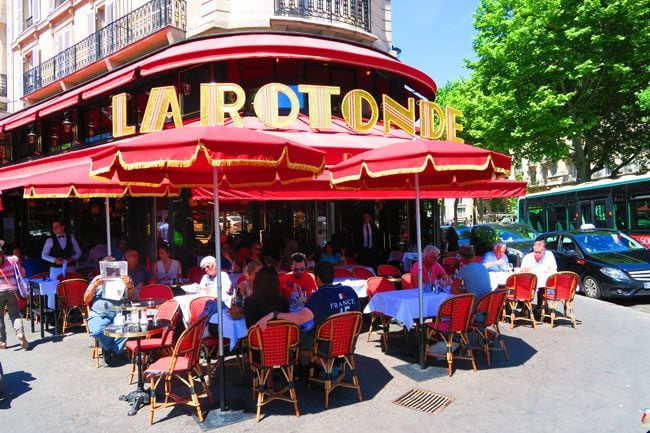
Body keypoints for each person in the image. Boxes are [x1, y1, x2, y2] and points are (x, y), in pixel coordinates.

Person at [256, 261, 360, 365]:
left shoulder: (319, 296)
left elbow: (299, 319)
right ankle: (334, 363)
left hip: (327, 344)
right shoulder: (350, 291)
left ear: (317, 279)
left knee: (295, 336)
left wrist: (275, 314)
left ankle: (325, 364)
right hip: (348, 341)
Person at [83, 256, 136, 366]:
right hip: (100, 314)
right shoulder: (98, 279)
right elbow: (85, 299)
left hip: (119, 313)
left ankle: (110, 351)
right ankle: (113, 350)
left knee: (130, 327)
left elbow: (131, 297)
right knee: (97, 331)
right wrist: (95, 286)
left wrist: (129, 285)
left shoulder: (124, 278)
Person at [0, 241, 29, 350]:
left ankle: (2, 341)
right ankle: (20, 333)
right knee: (14, 314)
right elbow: (22, 274)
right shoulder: (13, 259)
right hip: (12, 291)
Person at [520, 240, 558, 308]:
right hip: (529, 282)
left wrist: (533, 270)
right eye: (535, 252)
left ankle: (541, 307)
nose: (537, 254)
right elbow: (522, 270)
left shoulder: (549, 255)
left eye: (539, 252)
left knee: (544, 288)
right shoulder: (528, 257)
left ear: (544, 251)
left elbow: (553, 269)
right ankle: (527, 307)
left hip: (546, 283)